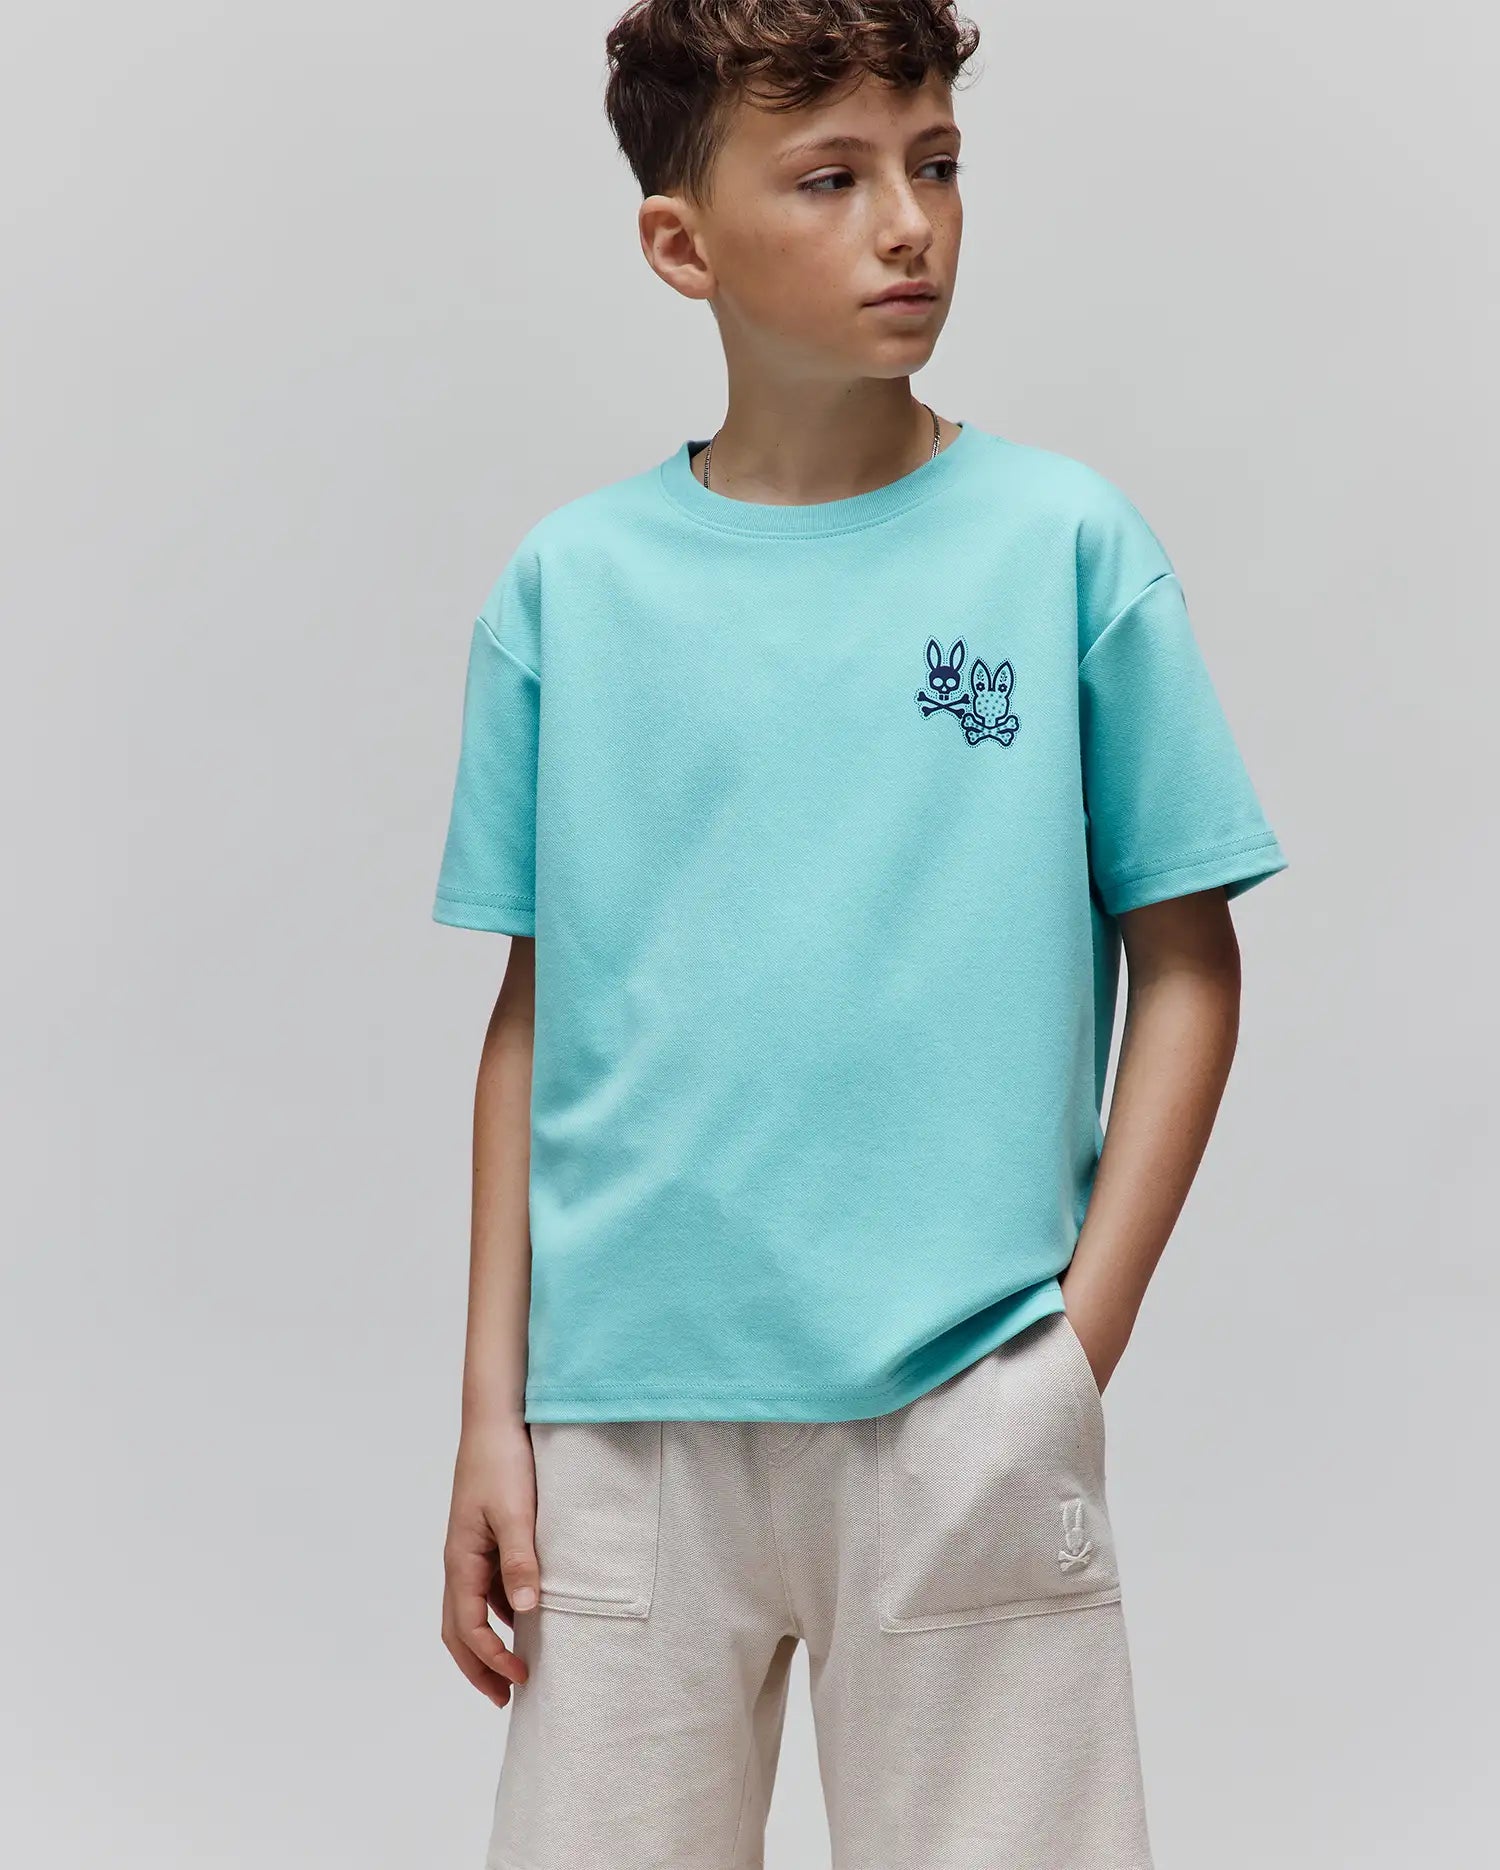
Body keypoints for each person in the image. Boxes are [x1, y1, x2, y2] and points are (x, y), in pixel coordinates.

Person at [430, 4, 1288, 1865]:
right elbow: (531, 1011)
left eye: (938, 164)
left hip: (961, 1406)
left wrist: (1066, 1357)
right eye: (831, 178)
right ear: (682, 244)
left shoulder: (1064, 547)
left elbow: (1190, 961)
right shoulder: (569, 590)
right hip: (624, 1434)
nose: (910, 223)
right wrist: (493, 1413)